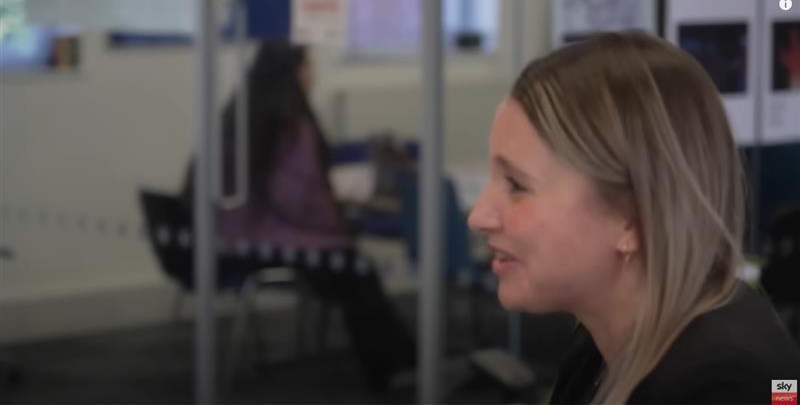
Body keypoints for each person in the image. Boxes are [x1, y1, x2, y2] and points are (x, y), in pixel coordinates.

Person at [467, 32, 800, 404]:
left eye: (516, 184)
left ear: (631, 216)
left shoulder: (731, 383)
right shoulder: (604, 345)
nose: (479, 216)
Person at [183, 42, 414, 391]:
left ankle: (401, 363)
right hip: (273, 240)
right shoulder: (290, 124)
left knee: (354, 271)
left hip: (235, 236)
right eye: (308, 67)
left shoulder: (240, 113)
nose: (313, 75)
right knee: (357, 271)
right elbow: (300, 200)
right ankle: (397, 368)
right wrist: (339, 222)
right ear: (293, 73)